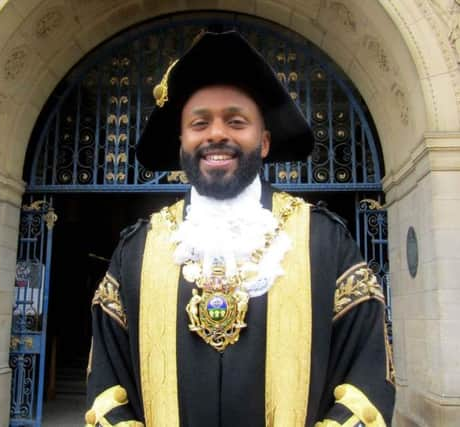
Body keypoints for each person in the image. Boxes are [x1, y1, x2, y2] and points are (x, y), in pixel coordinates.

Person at [84, 31, 395, 427]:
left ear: (263, 142)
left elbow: (367, 380)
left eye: (236, 121)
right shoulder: (136, 251)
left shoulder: (325, 242)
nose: (216, 134)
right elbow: (106, 391)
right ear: (181, 142)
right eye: (199, 123)